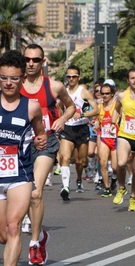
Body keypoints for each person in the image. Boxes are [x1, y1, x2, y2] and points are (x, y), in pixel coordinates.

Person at [21, 44, 76, 265]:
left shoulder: (53, 86)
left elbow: (71, 107)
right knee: (23, 196)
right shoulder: (14, 85)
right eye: (27, 59)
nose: (31, 63)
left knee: (35, 193)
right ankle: (42, 235)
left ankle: (35, 244)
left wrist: (61, 120)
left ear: (43, 62)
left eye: (36, 60)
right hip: (21, 146)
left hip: (47, 143)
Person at [0, 50, 47, 266]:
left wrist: (40, 140)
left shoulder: (31, 107)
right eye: (3, 78)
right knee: (2, 235)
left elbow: (41, 131)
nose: (8, 83)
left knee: (13, 227)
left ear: (23, 79)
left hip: (20, 174)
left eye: (14, 78)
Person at [59, 65, 99, 200]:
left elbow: (96, 110)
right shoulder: (63, 91)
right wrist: (61, 119)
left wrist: (82, 115)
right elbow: (59, 107)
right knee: (65, 157)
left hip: (81, 129)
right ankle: (65, 186)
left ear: (78, 77)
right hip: (68, 128)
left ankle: (79, 179)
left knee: (80, 161)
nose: (71, 79)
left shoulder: (84, 92)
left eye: (74, 76)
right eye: (69, 76)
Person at [110, 68, 135, 211]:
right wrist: (114, 123)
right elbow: (117, 109)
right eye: (132, 78)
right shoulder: (121, 96)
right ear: (128, 80)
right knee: (121, 162)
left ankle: (133, 197)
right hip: (125, 134)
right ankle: (121, 187)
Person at [95, 82, 118, 197]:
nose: (104, 96)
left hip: (115, 139)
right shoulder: (99, 107)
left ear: (112, 94)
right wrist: (95, 123)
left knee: (115, 166)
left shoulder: (117, 106)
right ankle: (107, 187)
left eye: (107, 93)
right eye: (102, 93)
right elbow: (96, 120)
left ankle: (114, 178)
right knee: (103, 163)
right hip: (104, 137)